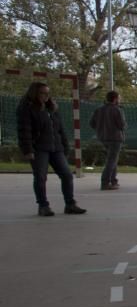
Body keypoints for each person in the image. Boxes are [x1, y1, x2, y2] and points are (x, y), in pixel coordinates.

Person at [16, 82, 86, 216]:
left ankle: (70, 204)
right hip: (39, 148)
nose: (46, 96)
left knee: (66, 175)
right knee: (41, 177)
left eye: (48, 93)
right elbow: (24, 131)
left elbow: (60, 130)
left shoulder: (52, 109)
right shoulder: (27, 108)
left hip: (56, 148)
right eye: (43, 93)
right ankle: (43, 205)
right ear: (35, 93)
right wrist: (28, 150)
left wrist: (65, 145)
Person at [89, 90, 126, 190]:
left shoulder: (99, 109)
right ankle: (105, 182)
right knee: (112, 160)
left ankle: (113, 180)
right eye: (119, 98)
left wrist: (100, 129)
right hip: (115, 137)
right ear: (115, 99)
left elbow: (92, 123)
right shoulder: (117, 110)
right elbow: (122, 125)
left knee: (113, 159)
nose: (120, 100)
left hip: (103, 137)